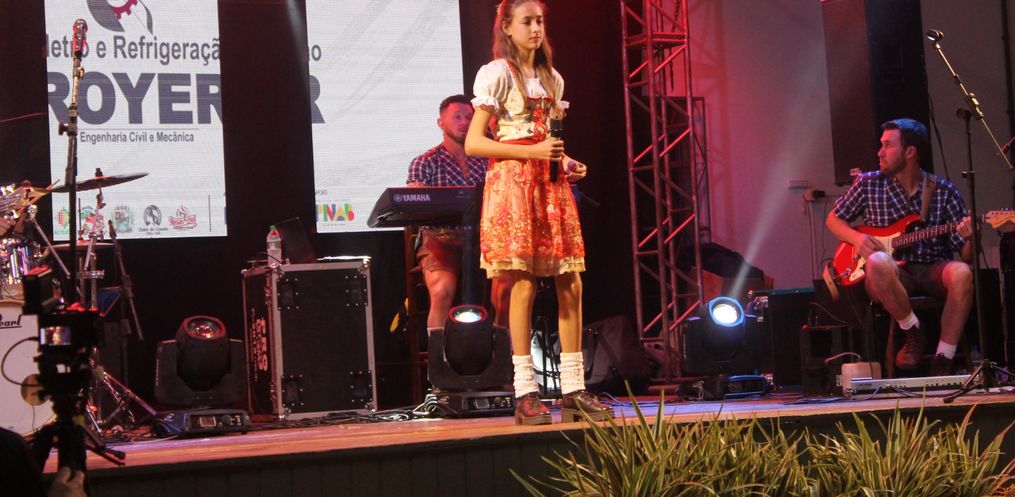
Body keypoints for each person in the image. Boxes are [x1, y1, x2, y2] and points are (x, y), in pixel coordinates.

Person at [464, 0, 612, 425]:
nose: (535, 28)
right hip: (513, 183)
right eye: (527, 21)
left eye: (540, 21)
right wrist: (532, 153)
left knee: (571, 280)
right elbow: (475, 143)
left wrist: (568, 162)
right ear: (507, 28)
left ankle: (574, 388)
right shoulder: (497, 74)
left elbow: (548, 140)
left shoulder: (552, 79)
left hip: (549, 185)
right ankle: (525, 392)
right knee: (523, 284)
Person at [826, 118, 974, 376]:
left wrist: (972, 237)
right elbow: (833, 219)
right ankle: (913, 330)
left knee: (963, 273)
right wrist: (858, 239)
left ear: (910, 152)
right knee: (877, 261)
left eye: (888, 145)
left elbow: (967, 255)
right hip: (891, 274)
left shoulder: (944, 191)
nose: (879, 152)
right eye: (881, 145)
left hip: (932, 268)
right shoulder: (868, 184)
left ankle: (944, 358)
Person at [407, 94, 512, 331]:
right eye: (457, 117)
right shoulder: (425, 161)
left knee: (506, 291)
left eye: (469, 118)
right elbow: (416, 205)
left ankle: (501, 349)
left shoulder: (488, 160)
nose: (464, 122)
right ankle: (438, 353)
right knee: (442, 290)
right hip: (441, 238)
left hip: (485, 237)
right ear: (440, 123)